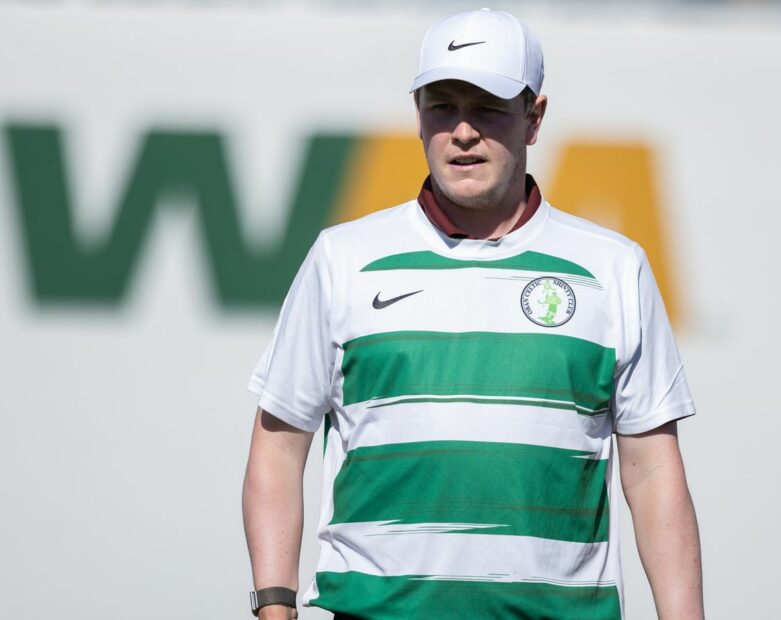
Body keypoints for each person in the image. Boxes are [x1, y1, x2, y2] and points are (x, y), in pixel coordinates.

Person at [243, 8, 703, 619]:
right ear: (418, 117)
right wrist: (274, 607)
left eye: (487, 108)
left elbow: (651, 472)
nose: (462, 131)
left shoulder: (613, 267)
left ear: (533, 119)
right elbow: (278, 446)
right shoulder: (342, 258)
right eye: (442, 106)